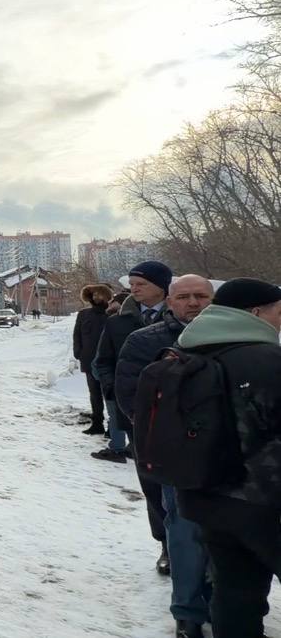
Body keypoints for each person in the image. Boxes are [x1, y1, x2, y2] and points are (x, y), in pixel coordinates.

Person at [177, 278, 281, 638]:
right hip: (265, 502)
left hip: (207, 498)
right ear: (255, 312)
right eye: (279, 312)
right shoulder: (269, 360)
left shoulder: (189, 353)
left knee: (235, 592)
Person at [116, 275, 215, 638]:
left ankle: (223, 603)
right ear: (170, 302)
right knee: (185, 533)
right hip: (178, 458)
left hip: (227, 457)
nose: (193, 303)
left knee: (224, 536)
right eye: (184, 297)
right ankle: (188, 612)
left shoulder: (231, 339)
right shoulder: (145, 341)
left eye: (201, 296)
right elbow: (130, 397)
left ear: (213, 299)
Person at [93, 260, 173, 574]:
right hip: (138, 418)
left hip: (183, 417)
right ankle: (165, 544)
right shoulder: (118, 323)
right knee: (152, 484)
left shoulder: (184, 318)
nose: (134, 289)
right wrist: (115, 393)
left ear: (161, 285)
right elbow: (103, 362)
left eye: (141, 283)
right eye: (133, 284)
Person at [73, 284, 113, 434]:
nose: (96, 297)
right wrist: (78, 352)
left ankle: (113, 427)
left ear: (107, 296)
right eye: (94, 294)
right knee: (94, 394)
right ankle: (97, 424)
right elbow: (77, 335)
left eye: (100, 294)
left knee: (109, 394)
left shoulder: (112, 314)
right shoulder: (83, 314)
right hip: (89, 360)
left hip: (108, 362)